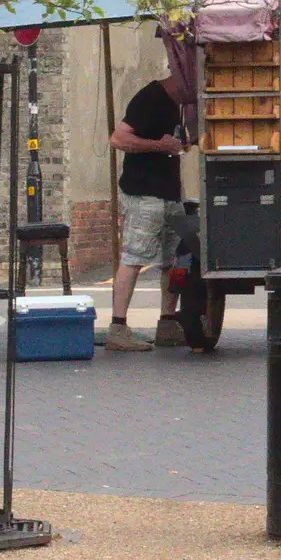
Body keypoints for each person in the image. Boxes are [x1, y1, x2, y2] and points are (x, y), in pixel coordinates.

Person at [106, 71, 189, 352]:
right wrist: (159, 146)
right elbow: (117, 139)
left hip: (168, 193)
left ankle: (167, 324)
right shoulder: (150, 97)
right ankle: (118, 328)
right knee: (133, 257)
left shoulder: (178, 104)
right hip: (143, 193)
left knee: (173, 260)